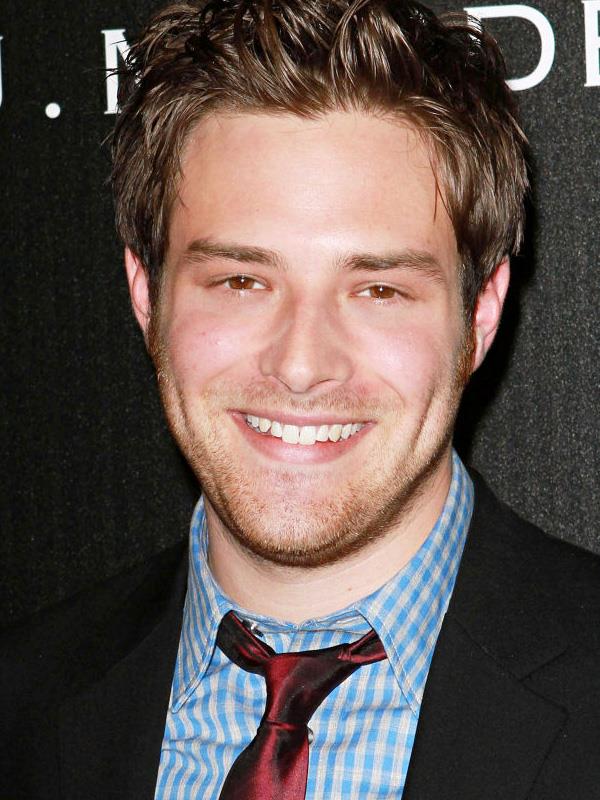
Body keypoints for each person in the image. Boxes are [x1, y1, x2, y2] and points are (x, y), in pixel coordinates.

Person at [2, 1, 600, 798]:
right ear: (147, 296)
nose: (301, 365)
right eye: (241, 282)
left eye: (379, 290)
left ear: (479, 316)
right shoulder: (19, 707)